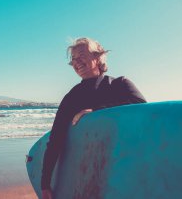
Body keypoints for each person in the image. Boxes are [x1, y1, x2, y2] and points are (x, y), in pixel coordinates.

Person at [41, 37, 146, 199]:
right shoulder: (72, 97)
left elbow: (141, 107)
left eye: (82, 55)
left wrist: (96, 112)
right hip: (90, 173)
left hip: (124, 168)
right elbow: (56, 140)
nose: (77, 62)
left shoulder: (120, 85)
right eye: (73, 59)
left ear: (98, 57)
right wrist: (45, 184)